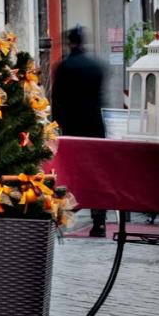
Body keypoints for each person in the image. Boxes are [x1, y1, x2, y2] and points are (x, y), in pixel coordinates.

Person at [51, 26, 108, 237]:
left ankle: (63, 215)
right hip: (95, 127)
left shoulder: (64, 67)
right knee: (95, 173)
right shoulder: (97, 67)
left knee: (69, 172)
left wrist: (57, 125)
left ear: (70, 42)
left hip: (72, 127)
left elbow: (57, 101)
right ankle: (99, 221)